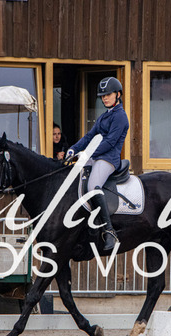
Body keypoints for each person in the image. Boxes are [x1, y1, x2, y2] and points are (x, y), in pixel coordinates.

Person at [65, 77, 129, 251]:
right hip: (96, 156)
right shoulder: (104, 116)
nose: (104, 98)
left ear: (118, 95)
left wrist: (87, 154)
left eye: (108, 95)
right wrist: (73, 149)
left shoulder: (120, 117)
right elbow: (89, 137)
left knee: (93, 186)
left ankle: (109, 231)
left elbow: (110, 142)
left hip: (109, 159)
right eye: (102, 96)